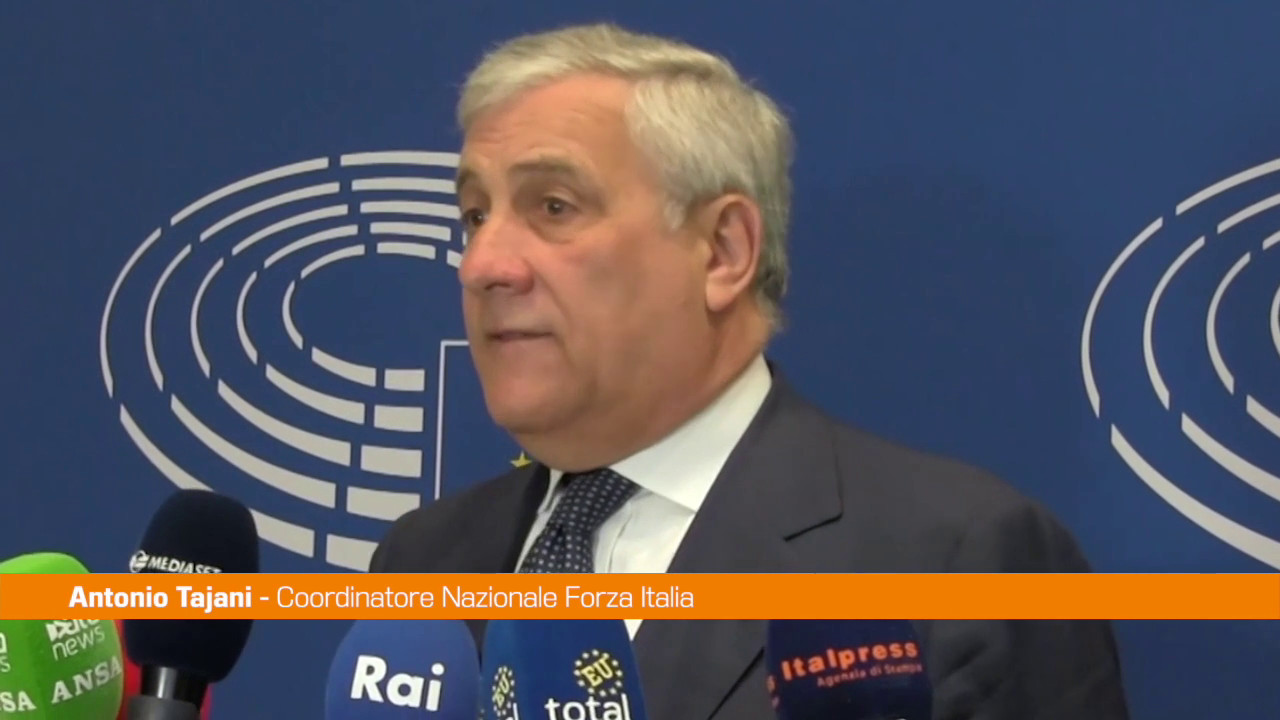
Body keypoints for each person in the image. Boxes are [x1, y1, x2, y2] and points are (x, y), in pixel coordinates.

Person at [370, 21, 1130, 720]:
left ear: (723, 252)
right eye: (475, 215)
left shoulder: (955, 563)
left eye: (555, 207)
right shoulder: (423, 561)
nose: (482, 264)